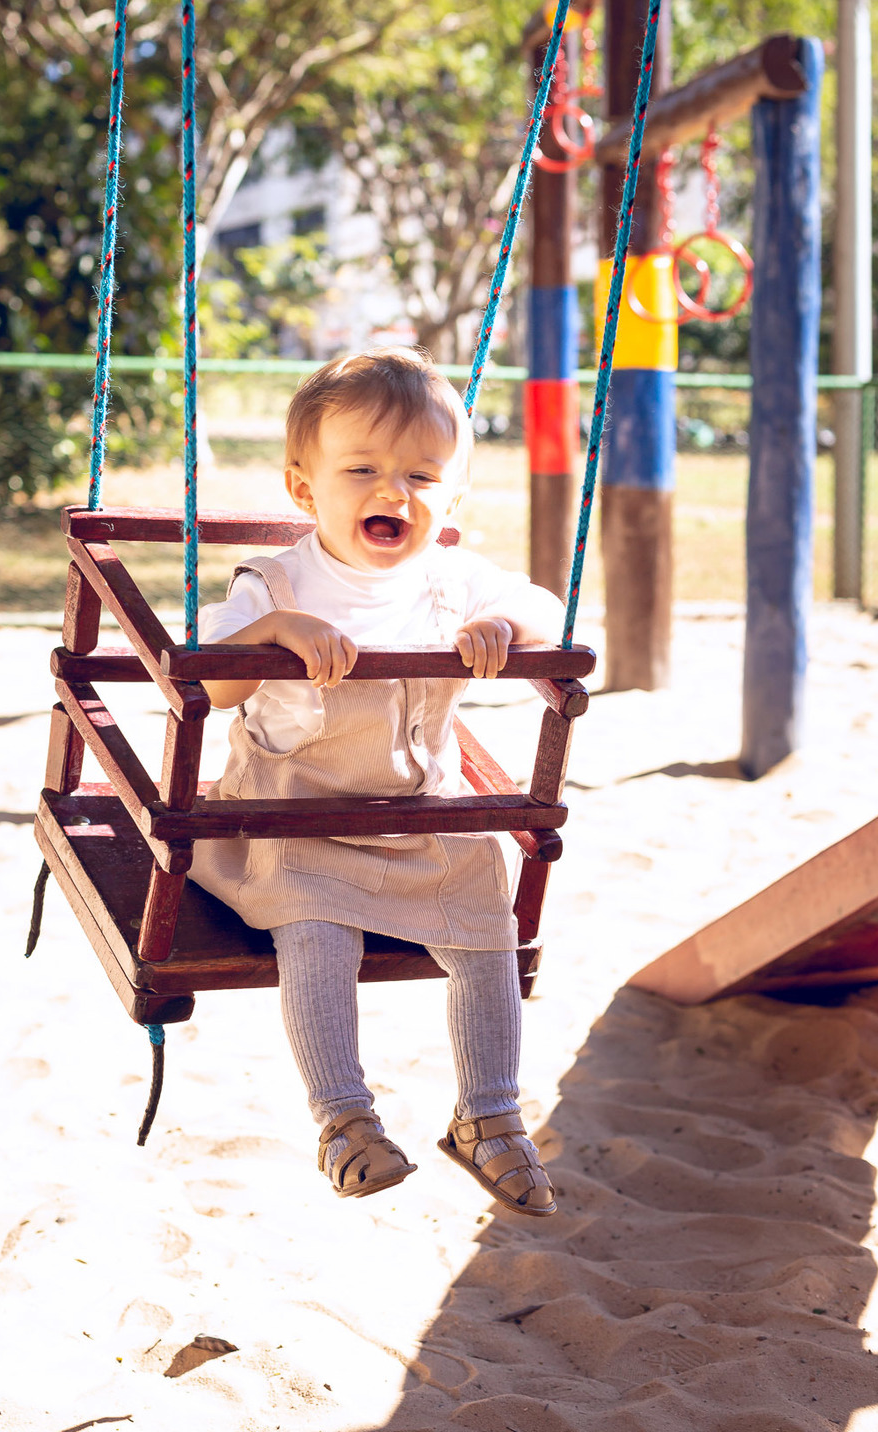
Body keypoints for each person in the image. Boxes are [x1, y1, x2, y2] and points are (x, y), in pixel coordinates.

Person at [190, 347, 562, 1214]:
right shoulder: (274, 584)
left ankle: (489, 1115)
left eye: (422, 476)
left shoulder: (451, 581)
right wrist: (272, 633)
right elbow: (213, 686)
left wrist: (505, 624)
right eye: (362, 469)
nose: (394, 491)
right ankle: (344, 1119)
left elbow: (547, 608)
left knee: (488, 918)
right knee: (315, 934)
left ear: (452, 498)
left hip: (418, 814)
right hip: (291, 820)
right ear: (305, 489)